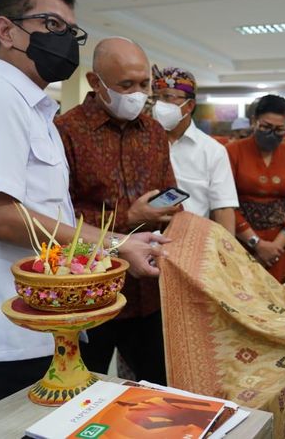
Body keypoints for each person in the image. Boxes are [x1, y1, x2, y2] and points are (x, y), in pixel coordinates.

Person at [0, 0, 165, 405]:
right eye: (49, 23)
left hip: (48, 322)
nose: (64, 40)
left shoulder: (36, 110)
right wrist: (115, 243)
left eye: (71, 30)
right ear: (7, 32)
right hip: (8, 331)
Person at [55, 37, 178, 385]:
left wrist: (167, 208)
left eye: (144, 84)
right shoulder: (66, 132)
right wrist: (129, 218)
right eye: (126, 85)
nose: (137, 94)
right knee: (80, 390)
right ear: (96, 82)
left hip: (148, 294)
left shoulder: (154, 132)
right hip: (91, 293)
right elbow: (55, 222)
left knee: (158, 389)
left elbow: (168, 191)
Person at [226, 94, 285, 283]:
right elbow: (225, 203)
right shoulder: (232, 152)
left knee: (279, 303)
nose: (271, 134)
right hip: (240, 240)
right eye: (265, 127)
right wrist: (257, 244)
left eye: (279, 129)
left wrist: (273, 248)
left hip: (279, 247)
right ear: (254, 121)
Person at [151, 65, 238, 234]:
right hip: (141, 240)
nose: (159, 105)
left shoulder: (213, 151)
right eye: (156, 98)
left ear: (189, 105)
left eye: (168, 97)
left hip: (190, 242)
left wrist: (226, 254)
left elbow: (223, 209)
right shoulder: (143, 142)